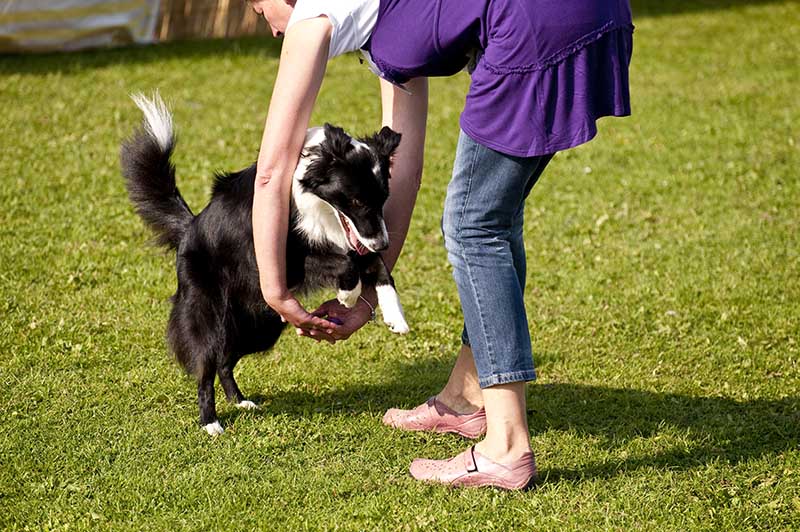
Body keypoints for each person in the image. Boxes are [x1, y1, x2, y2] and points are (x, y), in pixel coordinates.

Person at [248, 0, 633, 489]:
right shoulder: (382, 14)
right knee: (494, 217)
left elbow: (271, 172)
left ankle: (506, 448)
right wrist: (369, 295)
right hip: (594, 11)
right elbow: (402, 167)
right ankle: (466, 397)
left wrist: (275, 291)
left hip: (533, 24)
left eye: (260, 11)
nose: (272, 30)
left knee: (475, 226)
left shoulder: (313, 16)